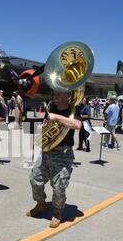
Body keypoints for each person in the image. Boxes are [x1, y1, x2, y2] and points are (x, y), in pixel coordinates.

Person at [26, 90, 82, 228]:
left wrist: (56, 117)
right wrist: (41, 128)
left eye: (59, 93)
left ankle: (57, 213)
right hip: (46, 152)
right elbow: (45, 125)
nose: (55, 95)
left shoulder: (73, 109)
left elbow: (78, 125)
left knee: (59, 188)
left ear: (68, 95)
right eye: (55, 93)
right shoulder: (51, 108)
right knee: (35, 179)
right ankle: (41, 204)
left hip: (63, 155)